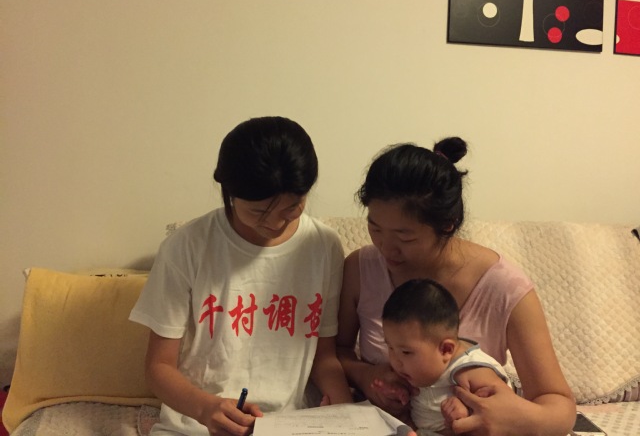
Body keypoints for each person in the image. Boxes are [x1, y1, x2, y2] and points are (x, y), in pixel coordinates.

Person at [336, 137, 576, 436]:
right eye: (375, 228)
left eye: (405, 237)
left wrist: (510, 418)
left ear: (447, 224)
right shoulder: (360, 268)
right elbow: (337, 351)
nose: (385, 247)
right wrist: (367, 376)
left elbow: (558, 404)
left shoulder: (503, 287)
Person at [130, 116, 353, 436]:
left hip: (288, 425)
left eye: (291, 208)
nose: (275, 223)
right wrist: (205, 408)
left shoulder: (324, 245)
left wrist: (347, 417)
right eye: (259, 212)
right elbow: (158, 367)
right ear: (229, 192)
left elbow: (324, 356)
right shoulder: (187, 247)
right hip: (198, 425)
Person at [383, 278, 513, 435]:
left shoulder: (472, 371)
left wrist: (468, 412)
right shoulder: (418, 368)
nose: (396, 361)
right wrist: (398, 396)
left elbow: (508, 414)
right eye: (390, 347)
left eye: (406, 352)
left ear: (445, 350)